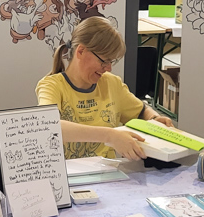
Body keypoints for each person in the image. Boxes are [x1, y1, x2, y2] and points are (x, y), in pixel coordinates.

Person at [36, 17, 175, 161]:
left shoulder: (112, 83)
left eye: (111, 61)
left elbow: (141, 111)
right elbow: (49, 126)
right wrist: (110, 135)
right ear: (81, 51)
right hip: (68, 173)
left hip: (108, 171)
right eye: (104, 61)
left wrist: (155, 119)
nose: (108, 68)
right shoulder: (52, 86)